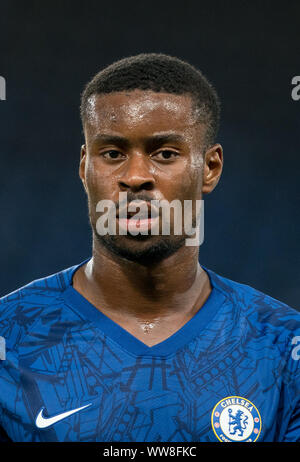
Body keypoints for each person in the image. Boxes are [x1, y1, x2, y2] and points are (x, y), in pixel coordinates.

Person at [0, 53, 299, 443]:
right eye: (112, 154)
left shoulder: (283, 348)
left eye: (165, 154)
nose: (136, 176)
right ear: (84, 166)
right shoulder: (10, 339)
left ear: (210, 168)